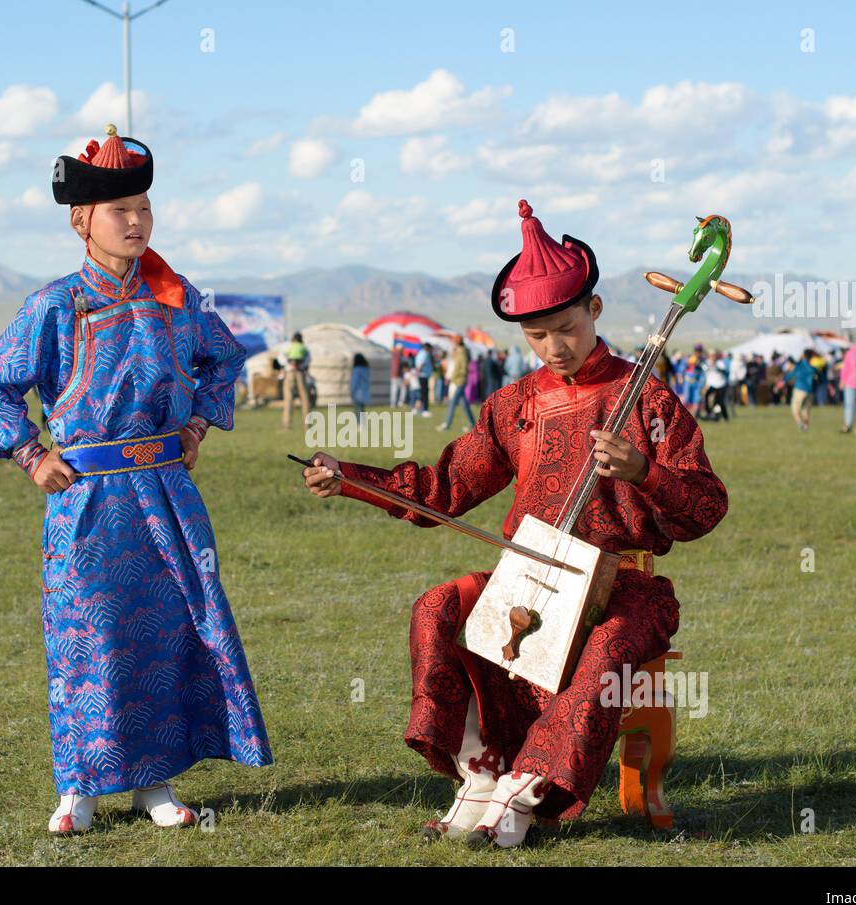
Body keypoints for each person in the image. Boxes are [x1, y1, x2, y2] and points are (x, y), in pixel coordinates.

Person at [301, 199, 727, 849]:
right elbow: (442, 488)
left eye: (565, 327)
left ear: (595, 310)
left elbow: (705, 506)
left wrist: (642, 469)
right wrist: (352, 479)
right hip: (528, 580)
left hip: (628, 588)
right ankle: (481, 770)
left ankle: (527, 789)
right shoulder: (515, 405)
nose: (554, 347)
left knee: (605, 645)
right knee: (439, 606)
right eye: (537, 336)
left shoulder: (649, 399)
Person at [0, 123, 271, 835]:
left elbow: (224, 361)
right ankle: (78, 785)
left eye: (144, 208)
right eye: (119, 211)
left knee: (166, 635)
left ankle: (153, 782)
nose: (136, 222)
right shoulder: (56, 305)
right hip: (89, 501)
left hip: (168, 496)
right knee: (89, 634)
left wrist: (195, 428)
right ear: (82, 221)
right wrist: (31, 456)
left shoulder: (177, 298)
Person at [438, 334, 475, 432]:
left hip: (459, 380)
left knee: (452, 403)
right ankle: (473, 424)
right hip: (458, 379)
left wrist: (453, 377)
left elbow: (462, 368)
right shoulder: (458, 351)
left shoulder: (461, 352)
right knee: (464, 404)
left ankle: (447, 424)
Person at [779, 348, 817, 431]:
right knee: (805, 411)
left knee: (795, 409)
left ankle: (800, 423)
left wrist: (783, 382)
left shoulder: (799, 366)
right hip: (810, 391)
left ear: (803, 355)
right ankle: (806, 428)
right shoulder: (813, 368)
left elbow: (791, 374)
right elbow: (820, 378)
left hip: (799, 389)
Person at [281, 331, 311, 428]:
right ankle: (307, 424)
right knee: (304, 398)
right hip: (300, 372)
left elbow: (282, 359)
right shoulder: (304, 348)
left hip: (289, 372)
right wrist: (299, 365)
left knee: (288, 398)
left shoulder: (289, 347)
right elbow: (308, 360)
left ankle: (287, 424)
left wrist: (290, 364)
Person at [414, 341, 434, 417]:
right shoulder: (425, 354)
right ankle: (425, 410)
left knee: (422, 393)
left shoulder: (420, 353)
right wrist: (418, 372)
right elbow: (421, 364)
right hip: (423, 375)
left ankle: (416, 409)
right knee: (424, 394)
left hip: (422, 375)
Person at [350, 352, 370, 422]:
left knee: (357, 409)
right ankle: (363, 423)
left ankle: (359, 424)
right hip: (365, 391)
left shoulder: (357, 369)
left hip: (357, 392)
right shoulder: (366, 369)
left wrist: (352, 390)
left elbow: (355, 381)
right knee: (362, 409)